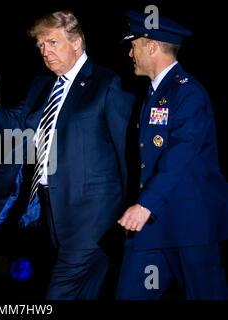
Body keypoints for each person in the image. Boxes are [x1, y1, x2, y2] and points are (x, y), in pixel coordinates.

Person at [0, 10, 134, 300]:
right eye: (40, 45)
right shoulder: (41, 86)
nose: (45, 52)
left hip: (93, 218)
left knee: (59, 294)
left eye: (52, 42)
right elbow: (14, 128)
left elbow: (126, 150)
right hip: (49, 213)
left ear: (77, 42)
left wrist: (133, 207)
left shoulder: (108, 83)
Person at [116, 10, 228, 299]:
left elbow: (181, 153)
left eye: (135, 45)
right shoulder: (154, 94)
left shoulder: (188, 93)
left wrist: (144, 205)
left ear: (152, 46)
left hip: (189, 226)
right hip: (153, 226)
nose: (130, 53)